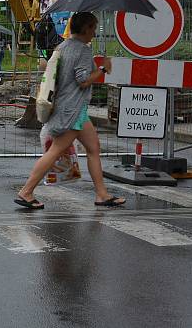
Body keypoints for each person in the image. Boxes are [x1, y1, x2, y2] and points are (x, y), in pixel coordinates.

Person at [15, 11, 125, 209]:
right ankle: (26, 191)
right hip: (72, 110)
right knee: (55, 151)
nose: (95, 33)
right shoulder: (81, 49)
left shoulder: (63, 46)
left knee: (93, 149)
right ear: (85, 28)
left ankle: (102, 194)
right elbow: (82, 81)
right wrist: (102, 70)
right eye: (93, 28)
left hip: (74, 109)